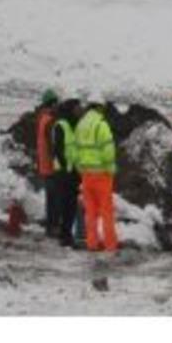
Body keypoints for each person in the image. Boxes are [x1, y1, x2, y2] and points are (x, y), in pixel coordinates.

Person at [75, 93, 118, 253]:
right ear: (99, 107)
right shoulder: (101, 125)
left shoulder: (80, 125)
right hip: (102, 175)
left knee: (90, 212)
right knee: (106, 212)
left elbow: (77, 150)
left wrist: (81, 169)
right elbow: (108, 150)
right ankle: (110, 245)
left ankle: (92, 244)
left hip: (86, 175)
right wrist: (110, 168)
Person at [51, 99, 82, 248]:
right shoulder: (61, 125)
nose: (79, 110)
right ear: (70, 108)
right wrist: (67, 168)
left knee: (71, 205)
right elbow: (58, 150)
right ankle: (64, 236)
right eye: (77, 107)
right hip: (63, 173)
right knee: (65, 205)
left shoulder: (74, 124)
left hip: (73, 172)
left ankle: (67, 234)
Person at [36, 89, 59, 237]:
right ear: (52, 103)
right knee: (54, 199)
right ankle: (53, 227)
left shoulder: (42, 118)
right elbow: (52, 145)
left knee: (50, 198)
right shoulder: (50, 120)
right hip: (51, 166)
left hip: (44, 165)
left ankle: (50, 227)